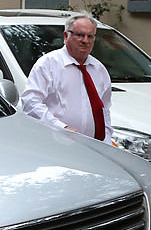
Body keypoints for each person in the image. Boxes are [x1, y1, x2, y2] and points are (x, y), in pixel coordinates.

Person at [22, 13, 112, 142]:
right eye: (80, 35)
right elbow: (31, 103)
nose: (85, 40)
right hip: (55, 144)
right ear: (66, 36)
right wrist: (61, 128)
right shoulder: (48, 65)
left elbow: (105, 111)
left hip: (94, 148)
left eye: (90, 36)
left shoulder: (99, 70)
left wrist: (106, 140)